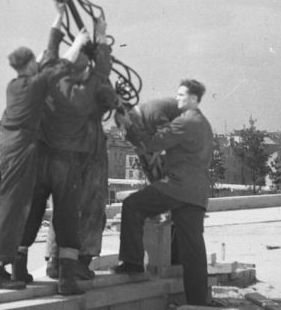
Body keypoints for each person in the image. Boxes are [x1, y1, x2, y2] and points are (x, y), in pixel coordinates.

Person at [0, 2, 87, 290]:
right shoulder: (36, 84)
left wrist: (59, 18)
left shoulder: (15, 85)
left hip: (2, 146)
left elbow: (47, 57)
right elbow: (60, 64)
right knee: (13, 208)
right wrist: (79, 41)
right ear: (31, 64)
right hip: (18, 151)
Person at [18, 17, 112, 295]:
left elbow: (50, 59)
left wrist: (58, 28)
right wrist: (101, 36)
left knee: (45, 214)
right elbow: (103, 75)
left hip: (50, 155)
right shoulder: (80, 90)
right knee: (73, 214)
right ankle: (69, 271)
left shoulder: (49, 82)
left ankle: (34, 265)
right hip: (74, 157)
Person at [113, 79, 214, 306]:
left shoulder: (178, 121)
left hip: (178, 185)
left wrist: (136, 137)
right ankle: (197, 302)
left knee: (132, 205)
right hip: (197, 191)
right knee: (193, 249)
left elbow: (155, 143)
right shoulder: (202, 123)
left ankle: (133, 263)